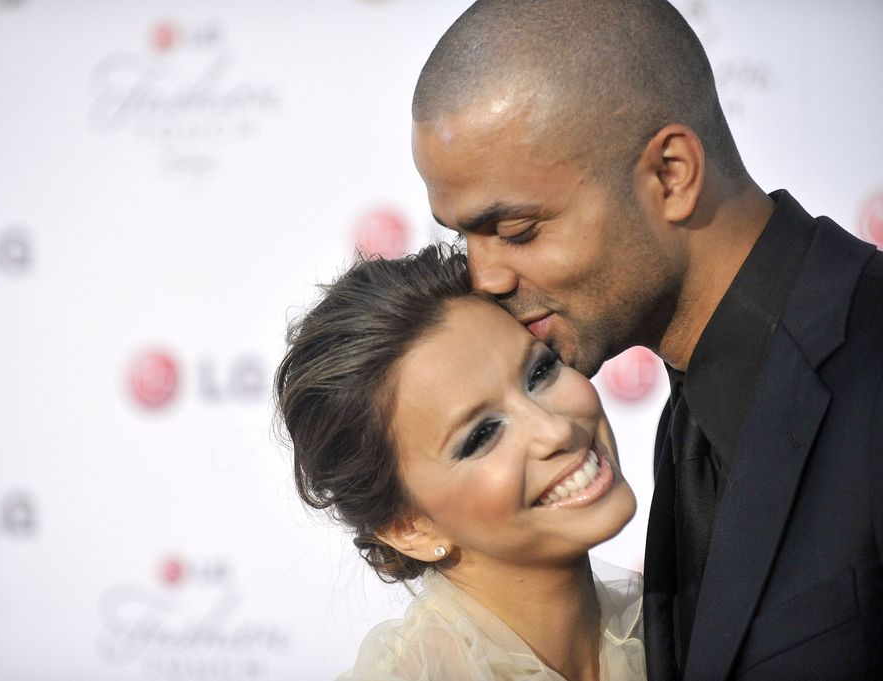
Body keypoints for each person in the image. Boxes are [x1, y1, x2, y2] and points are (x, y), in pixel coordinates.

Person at [410, 1, 883, 680]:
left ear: (671, 174)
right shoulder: (685, 421)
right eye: (463, 237)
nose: (483, 278)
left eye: (516, 231)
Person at [275, 245, 645, 680]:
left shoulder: (681, 625)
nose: (556, 430)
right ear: (408, 527)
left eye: (539, 373)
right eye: (482, 435)